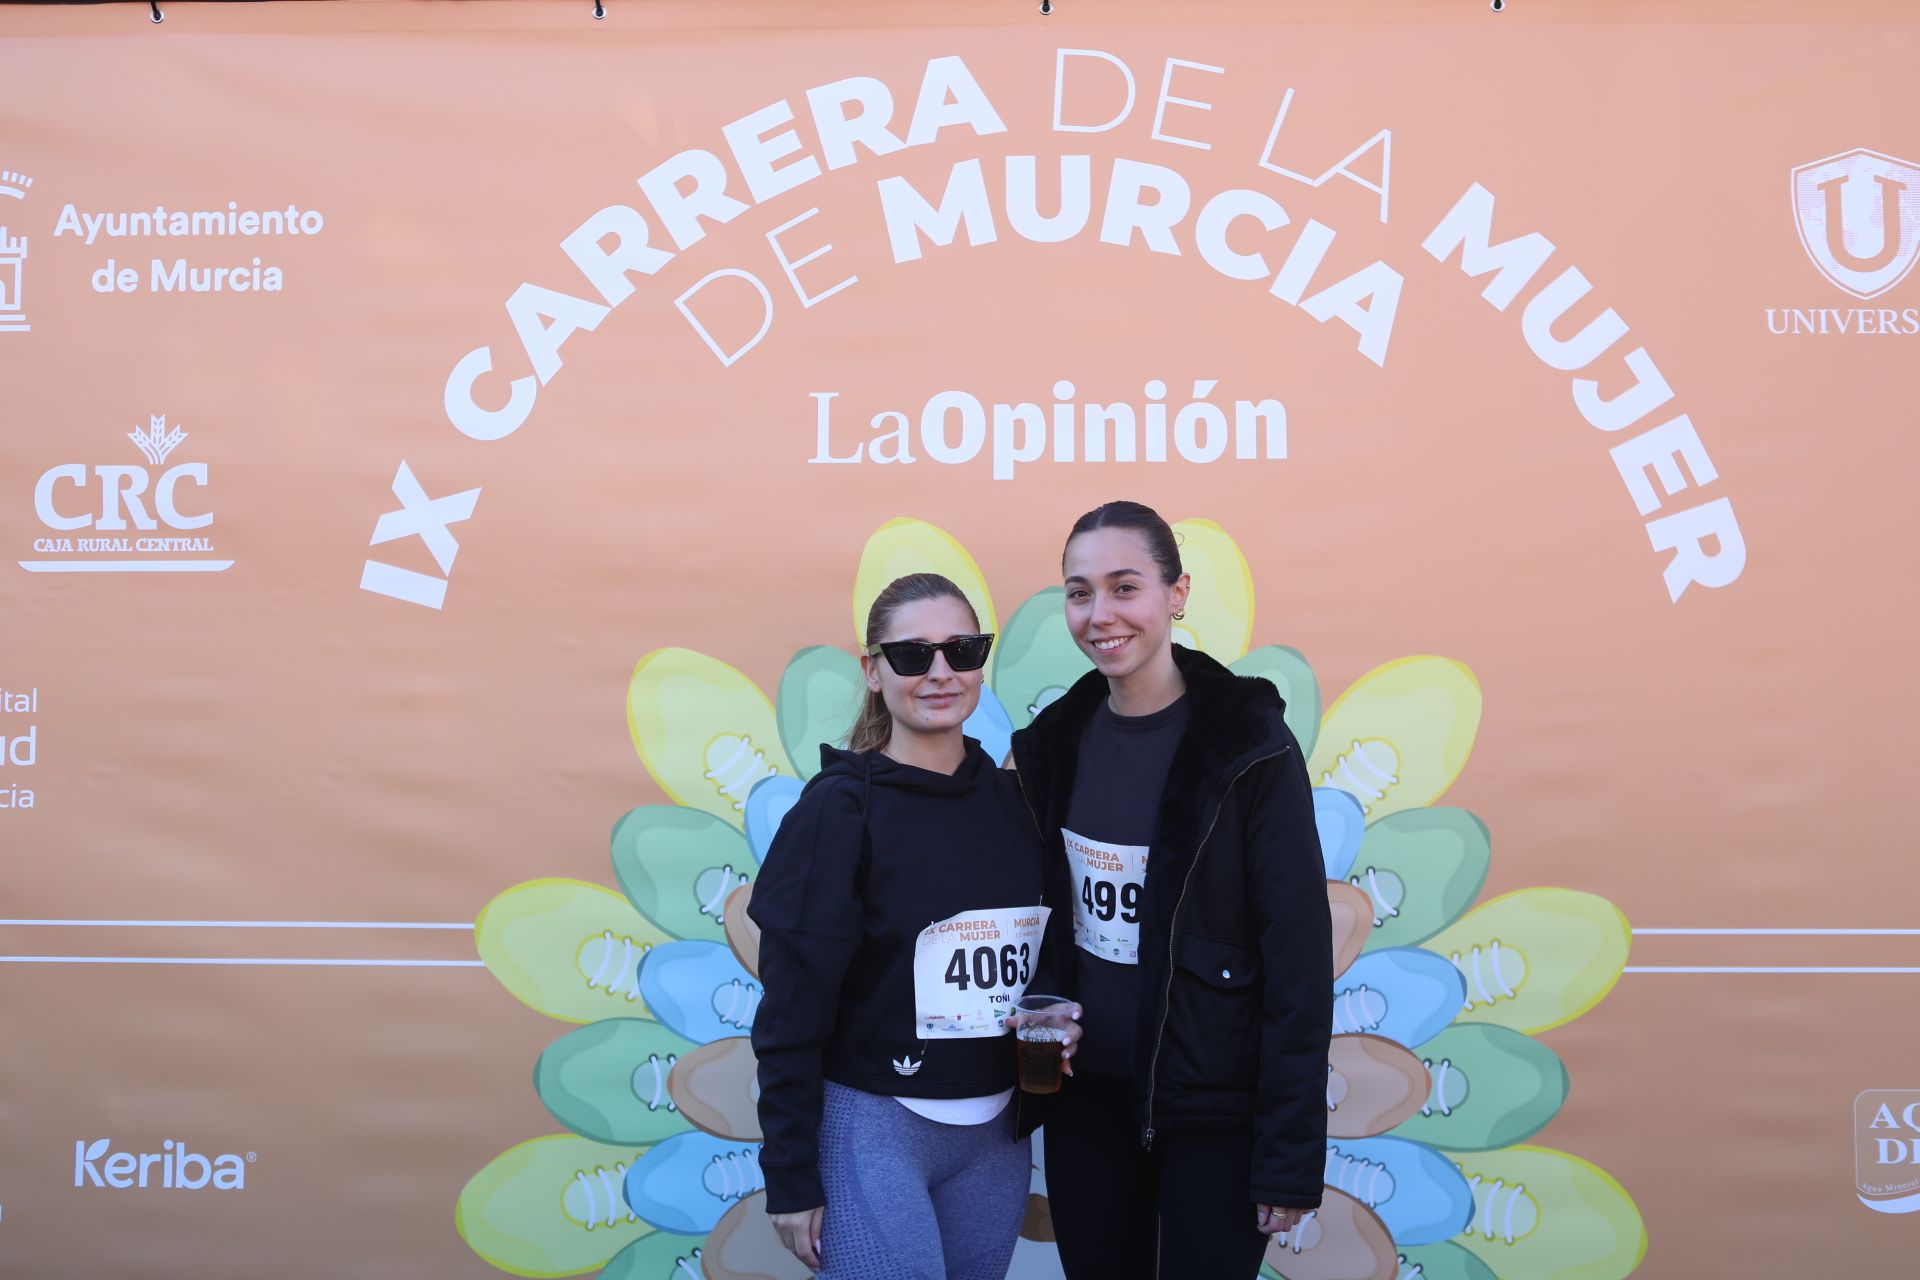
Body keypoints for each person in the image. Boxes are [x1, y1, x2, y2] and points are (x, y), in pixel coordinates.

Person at [1009, 501, 1333, 1279]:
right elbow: (1045, 922)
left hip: (1213, 1108)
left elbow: (1297, 959)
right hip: (1088, 1105)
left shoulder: (1249, 747)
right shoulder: (1052, 745)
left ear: (1177, 594)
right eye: (1079, 592)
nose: (1100, 615)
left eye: (1126, 587)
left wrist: (1288, 1154)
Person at [749, 572, 1077, 1278]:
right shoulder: (838, 812)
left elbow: (1045, 956)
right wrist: (790, 1173)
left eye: (962, 650)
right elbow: (791, 1008)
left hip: (995, 1137)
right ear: (873, 671)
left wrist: (1058, 1011)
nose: (940, 672)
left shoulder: (1018, 805)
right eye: (911, 655)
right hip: (875, 1127)